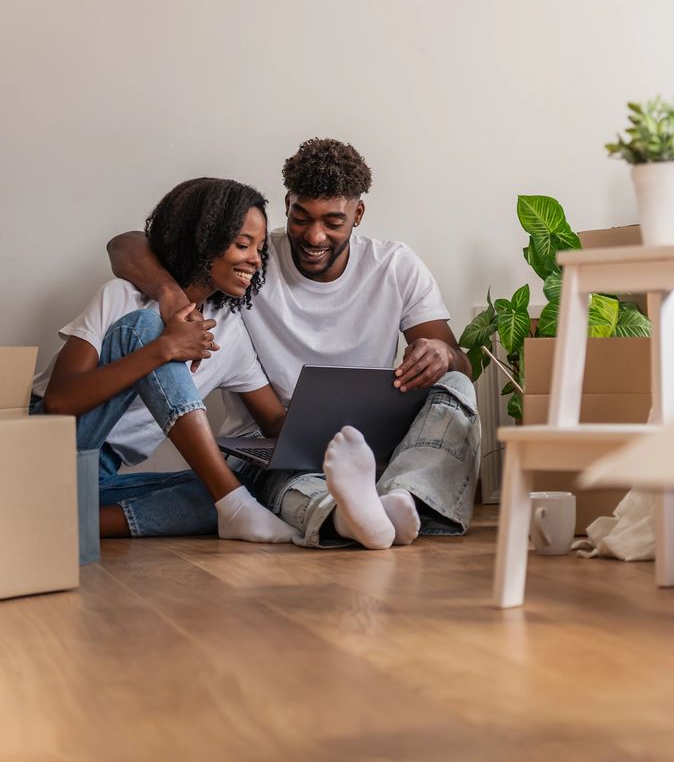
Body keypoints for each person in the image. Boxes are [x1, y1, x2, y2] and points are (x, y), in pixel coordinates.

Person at [108, 139, 481, 550]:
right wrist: (171, 295)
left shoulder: (395, 265)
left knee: (456, 386)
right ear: (287, 204)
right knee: (283, 476)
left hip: (378, 447)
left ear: (358, 214)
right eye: (301, 217)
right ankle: (349, 517)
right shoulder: (253, 257)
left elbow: (459, 363)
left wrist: (443, 354)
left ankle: (402, 499)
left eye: (333, 221)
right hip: (274, 442)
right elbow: (124, 244)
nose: (314, 235)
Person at [33, 177, 295, 543]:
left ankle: (56, 524)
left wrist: (340, 432)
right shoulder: (123, 297)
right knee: (146, 326)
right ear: (203, 242)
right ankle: (234, 503)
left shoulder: (229, 331)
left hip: (97, 476)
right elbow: (58, 402)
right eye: (242, 244)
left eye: (260, 248)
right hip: (40, 450)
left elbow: (273, 421)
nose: (255, 259)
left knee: (231, 487)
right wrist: (164, 348)